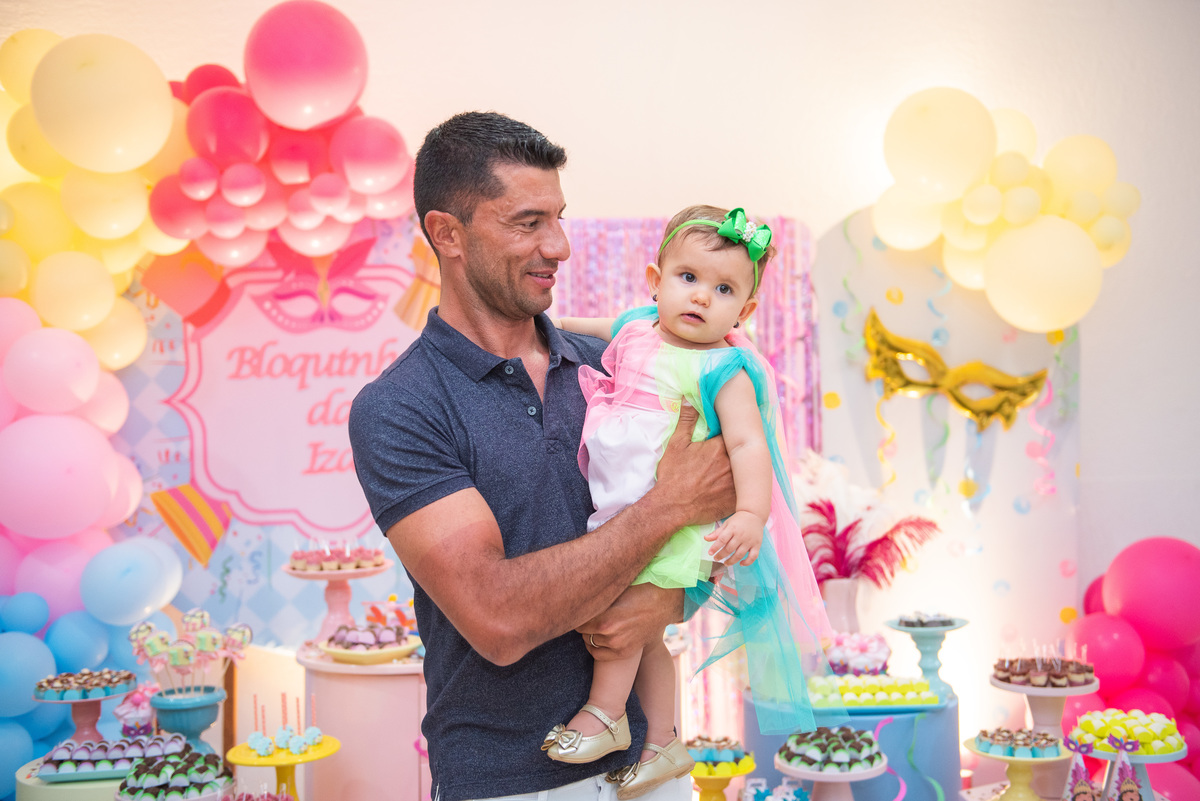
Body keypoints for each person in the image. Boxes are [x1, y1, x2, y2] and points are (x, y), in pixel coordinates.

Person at [348, 112, 735, 801]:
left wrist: (669, 597)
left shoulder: (614, 364)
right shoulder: (402, 407)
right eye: (528, 223)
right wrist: (666, 506)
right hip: (507, 782)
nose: (558, 246)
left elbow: (721, 513)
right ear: (447, 234)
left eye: (558, 218)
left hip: (648, 771)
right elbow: (497, 619)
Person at [551, 206, 838, 798]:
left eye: (724, 289)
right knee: (648, 634)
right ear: (655, 282)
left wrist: (750, 514)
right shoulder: (636, 327)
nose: (702, 297)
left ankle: (605, 715)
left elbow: (747, 445)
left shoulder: (722, 368)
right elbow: (586, 327)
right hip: (623, 507)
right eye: (688, 278)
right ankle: (663, 742)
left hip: (674, 522)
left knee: (623, 614)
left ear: (745, 312)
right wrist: (545, 326)